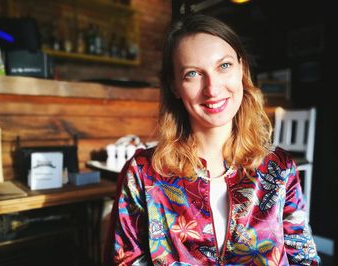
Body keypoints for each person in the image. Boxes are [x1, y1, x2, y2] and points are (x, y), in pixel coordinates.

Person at [105, 14, 321, 265]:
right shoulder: (143, 173)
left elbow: (303, 258)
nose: (212, 88)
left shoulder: (279, 167)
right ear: (174, 86)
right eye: (193, 73)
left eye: (224, 66)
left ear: (242, 69)